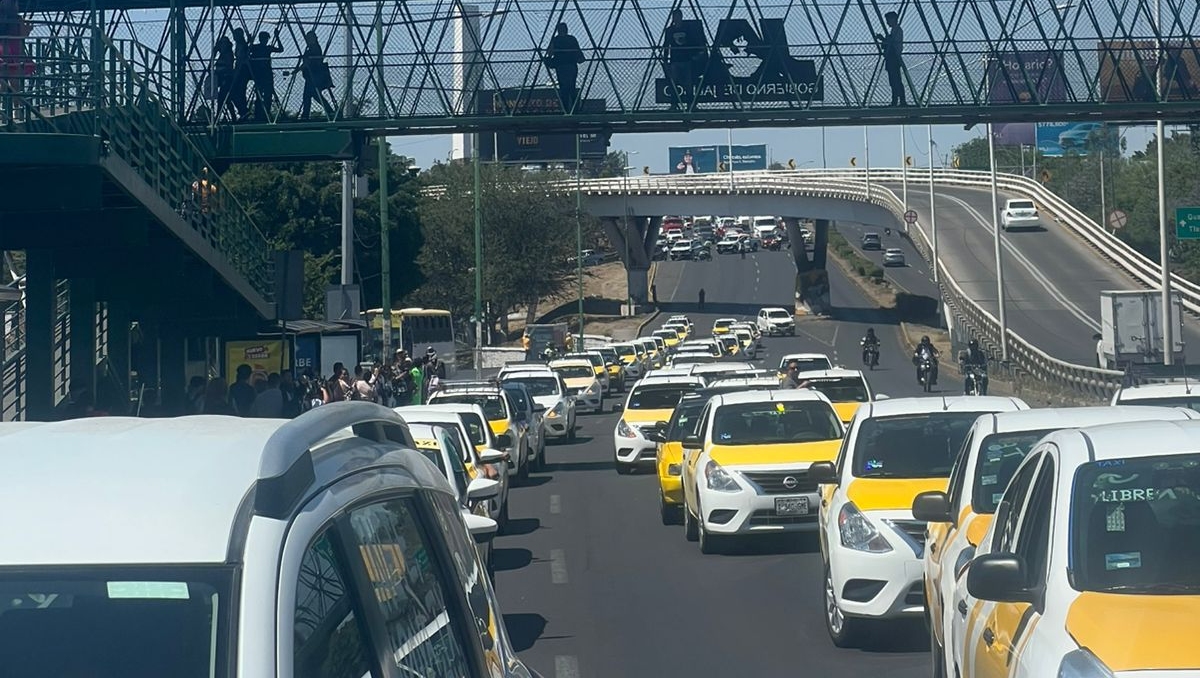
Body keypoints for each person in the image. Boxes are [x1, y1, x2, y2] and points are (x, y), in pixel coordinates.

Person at [663, 9, 702, 110]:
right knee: (674, 84)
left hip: (686, 60)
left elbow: (693, 42)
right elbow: (666, 45)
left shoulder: (687, 29)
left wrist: (695, 55)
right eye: (675, 17)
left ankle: (690, 104)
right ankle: (674, 104)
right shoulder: (669, 30)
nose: (677, 19)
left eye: (678, 16)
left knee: (689, 84)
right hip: (675, 61)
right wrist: (665, 60)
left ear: (681, 17)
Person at [543, 23, 585, 113]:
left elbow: (550, 53)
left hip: (561, 66)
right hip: (571, 66)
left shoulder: (556, 40)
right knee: (572, 88)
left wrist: (548, 60)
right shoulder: (571, 39)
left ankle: (566, 110)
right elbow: (579, 53)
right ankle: (575, 110)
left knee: (564, 89)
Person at [295, 29, 335, 120]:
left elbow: (308, 62)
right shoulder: (312, 47)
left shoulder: (314, 48)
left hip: (314, 74)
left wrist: (298, 69)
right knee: (310, 95)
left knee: (310, 95)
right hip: (311, 75)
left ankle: (306, 115)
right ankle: (327, 111)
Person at [247, 29, 283, 121]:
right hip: (263, 74)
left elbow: (281, 50)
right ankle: (260, 114)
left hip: (263, 74)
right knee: (262, 95)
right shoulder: (262, 48)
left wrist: (250, 41)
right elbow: (280, 49)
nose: (265, 40)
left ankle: (262, 114)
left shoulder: (262, 48)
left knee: (265, 95)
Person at [874, 11, 906, 106]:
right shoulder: (894, 30)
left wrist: (883, 39)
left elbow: (892, 43)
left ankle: (899, 100)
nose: (887, 22)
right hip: (892, 57)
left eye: (888, 20)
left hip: (894, 57)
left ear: (893, 19)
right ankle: (897, 100)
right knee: (893, 80)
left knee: (895, 80)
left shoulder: (897, 30)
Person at [209, 36, 239, 121]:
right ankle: (233, 117)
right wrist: (215, 49)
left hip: (226, 78)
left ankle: (217, 117)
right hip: (222, 78)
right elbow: (213, 57)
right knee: (227, 99)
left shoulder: (228, 54)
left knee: (222, 98)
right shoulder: (222, 55)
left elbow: (228, 67)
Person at [230, 28, 252, 120]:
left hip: (241, 71)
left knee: (236, 92)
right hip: (241, 70)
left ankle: (243, 111)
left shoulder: (241, 45)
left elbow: (241, 59)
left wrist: (236, 72)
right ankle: (243, 111)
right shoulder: (241, 44)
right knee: (239, 92)